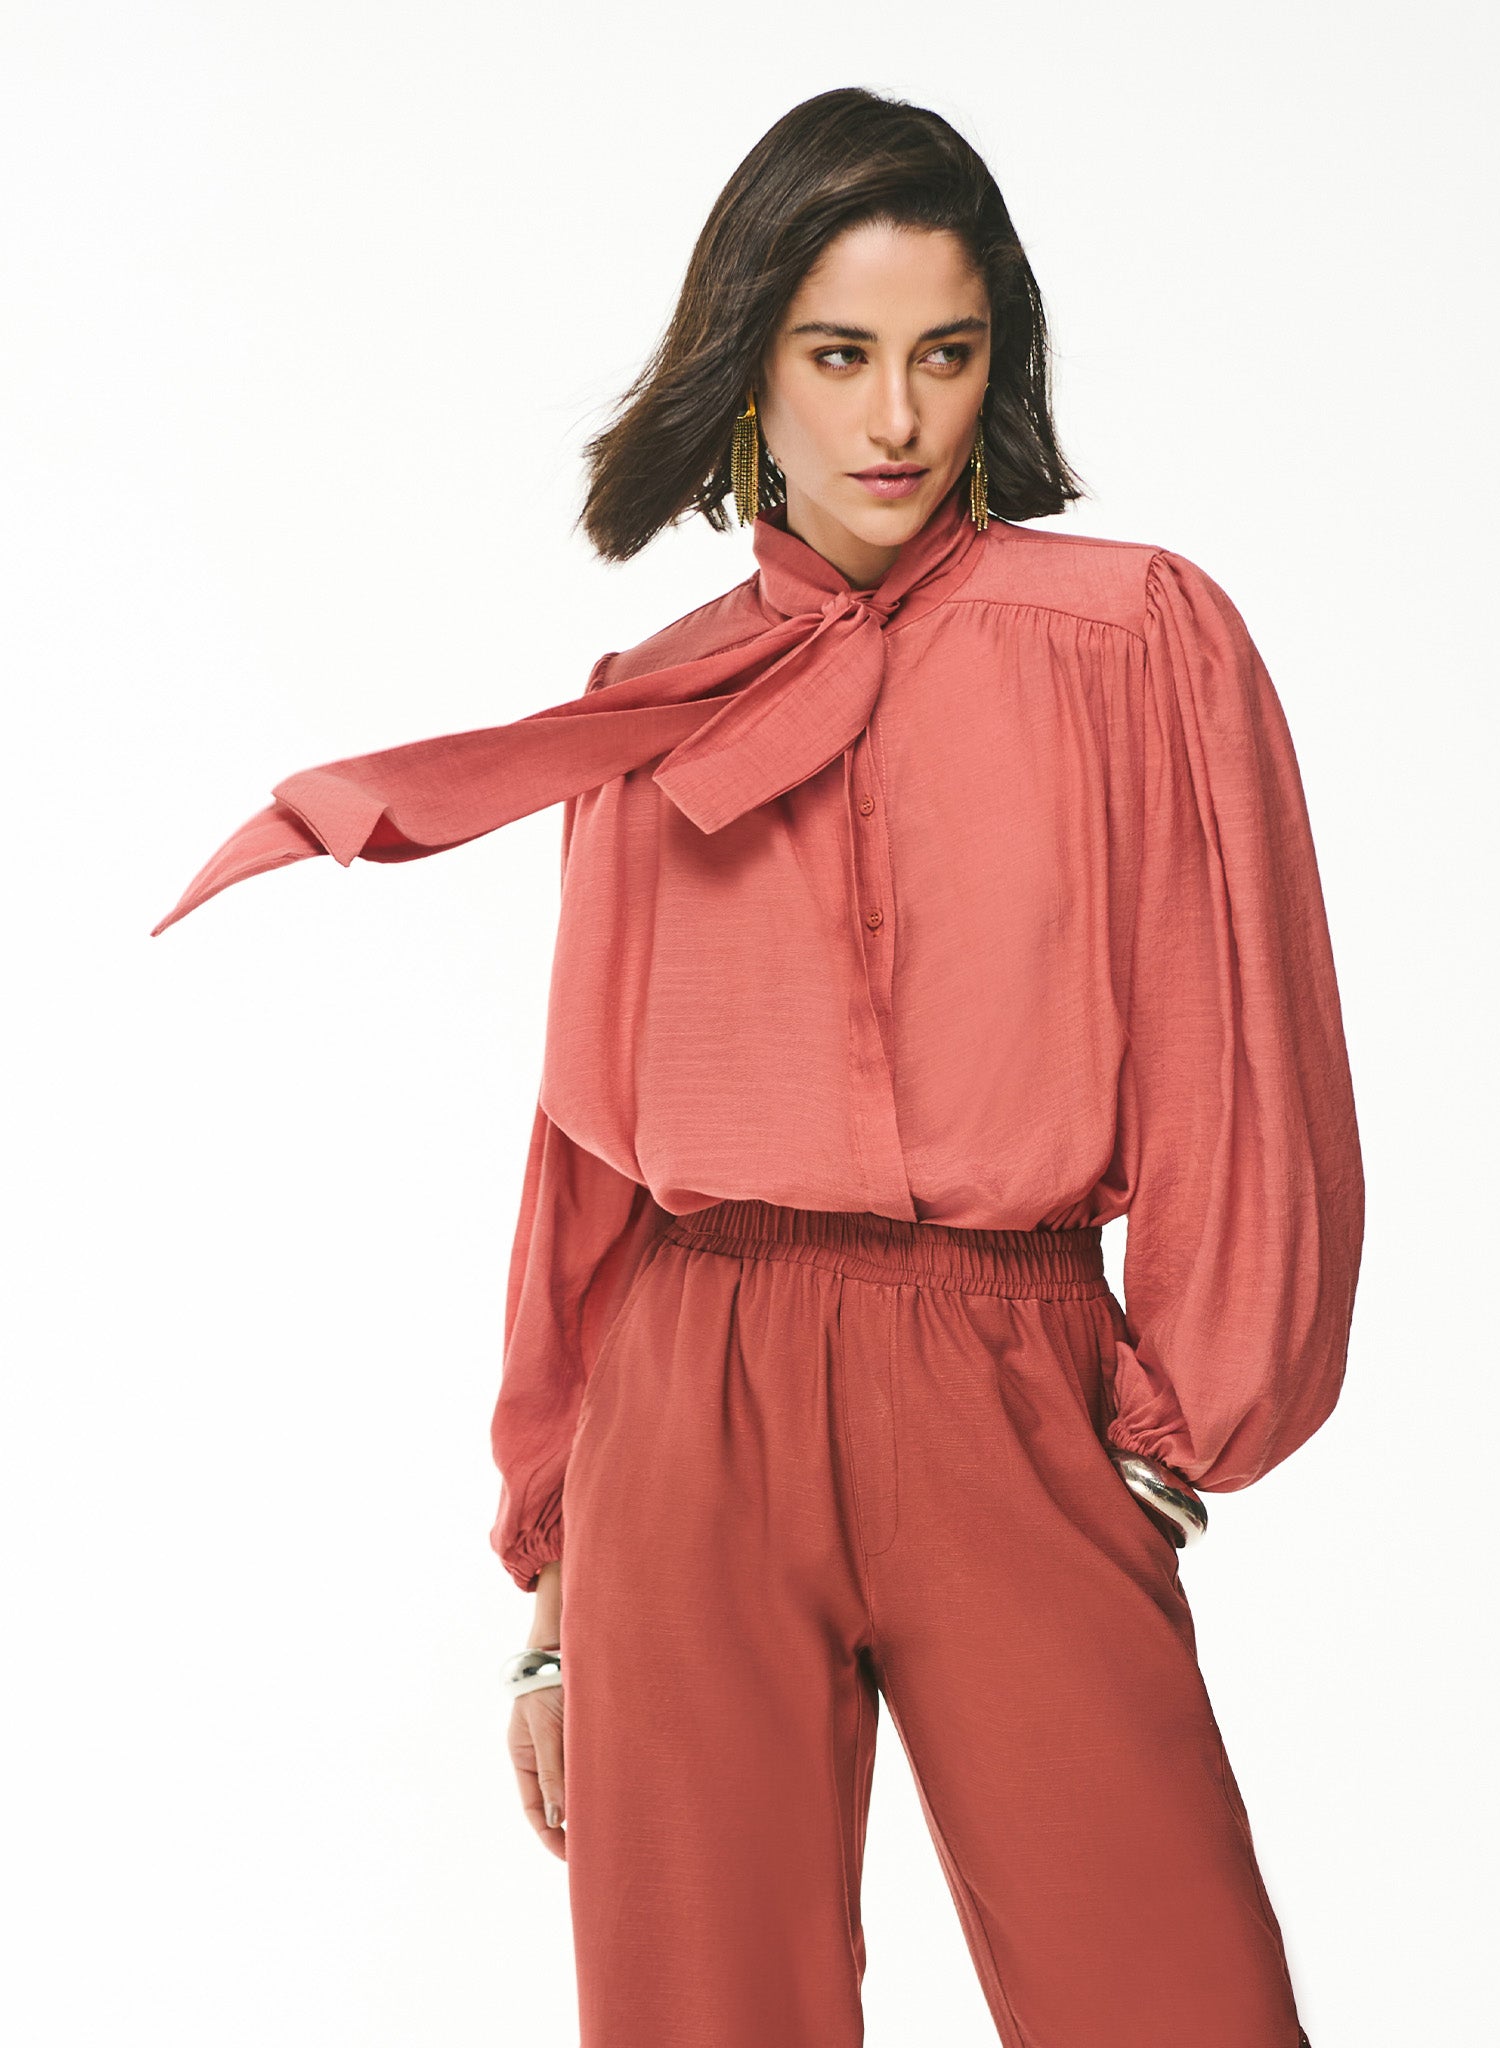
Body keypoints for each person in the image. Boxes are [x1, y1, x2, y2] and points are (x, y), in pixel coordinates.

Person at [154, 85, 1360, 2048]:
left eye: (946, 354)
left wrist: (1161, 1448)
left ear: (1000, 365)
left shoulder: (1133, 640)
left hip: (1007, 1370)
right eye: (840, 355)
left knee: (1178, 2005)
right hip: (688, 1398)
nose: (897, 418)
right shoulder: (651, 705)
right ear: (751, 367)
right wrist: (554, 1580)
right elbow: (585, 1159)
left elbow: (1250, 1058)